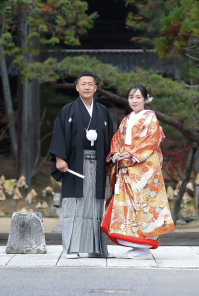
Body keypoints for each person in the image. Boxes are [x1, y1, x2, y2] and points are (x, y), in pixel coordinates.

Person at [102, 85, 175, 259]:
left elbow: (151, 140)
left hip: (143, 171)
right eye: (131, 97)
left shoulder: (151, 118)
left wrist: (131, 154)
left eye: (138, 97)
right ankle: (135, 245)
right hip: (126, 168)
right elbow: (117, 139)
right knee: (127, 206)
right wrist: (116, 153)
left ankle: (144, 246)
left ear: (145, 99)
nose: (134, 100)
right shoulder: (126, 120)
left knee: (143, 206)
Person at [49, 71, 115, 258]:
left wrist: (110, 162)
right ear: (77, 87)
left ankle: (95, 248)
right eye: (83, 84)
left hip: (98, 165)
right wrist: (60, 158)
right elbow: (59, 135)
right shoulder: (67, 110)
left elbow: (110, 138)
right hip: (74, 165)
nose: (87, 87)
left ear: (95, 88)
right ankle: (72, 248)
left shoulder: (102, 112)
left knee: (95, 206)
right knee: (74, 206)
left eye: (90, 84)